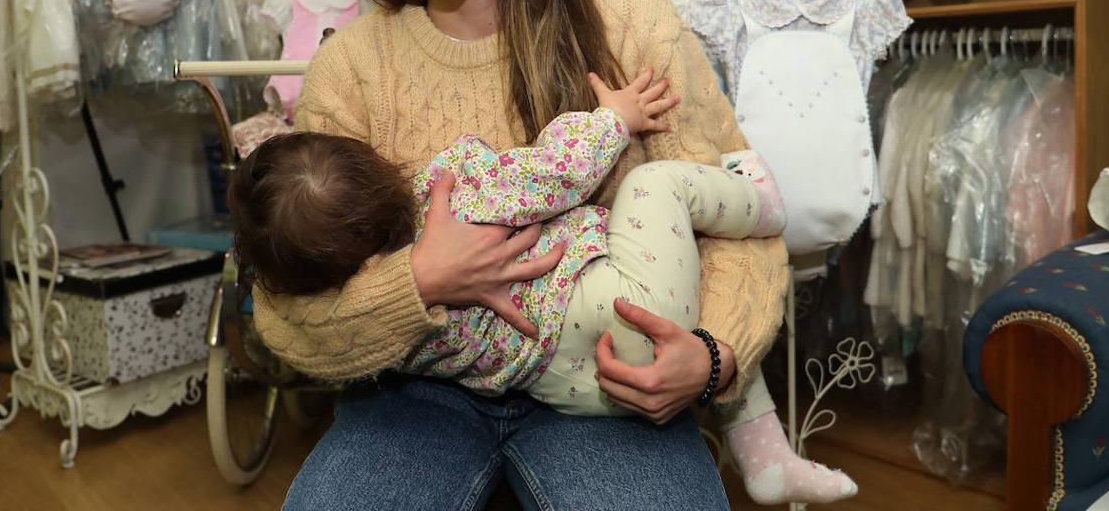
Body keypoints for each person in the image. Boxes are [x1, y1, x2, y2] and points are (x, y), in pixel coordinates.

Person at [252, 0, 852, 508]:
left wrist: (711, 355)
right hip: (418, 395)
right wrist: (421, 283)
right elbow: (287, 310)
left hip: (611, 379)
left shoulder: (626, 9)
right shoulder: (349, 67)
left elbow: (735, 224)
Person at [231, 69, 786, 415]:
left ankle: (761, 449)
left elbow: (310, 320)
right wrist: (613, 119)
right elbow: (559, 171)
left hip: (574, 389)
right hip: (630, 313)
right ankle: (762, 205)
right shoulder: (454, 195)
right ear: (372, 164)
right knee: (654, 183)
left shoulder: (391, 336)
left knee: (710, 347)